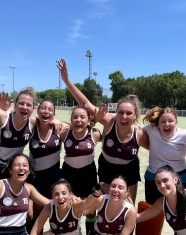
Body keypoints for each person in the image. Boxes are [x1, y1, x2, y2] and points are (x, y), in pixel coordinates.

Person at [57, 58, 149, 203]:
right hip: (107, 169)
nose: (124, 116)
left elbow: (158, 149)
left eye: (129, 113)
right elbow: (85, 104)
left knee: (129, 206)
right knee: (106, 205)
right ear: (115, 113)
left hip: (129, 170)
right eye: (120, 112)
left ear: (135, 116)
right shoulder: (109, 122)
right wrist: (67, 80)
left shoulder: (139, 134)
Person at [59, 105, 102, 235]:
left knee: (90, 209)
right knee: (68, 205)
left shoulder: (94, 133)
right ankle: (71, 234)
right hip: (68, 173)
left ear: (88, 121)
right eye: (75, 117)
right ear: (71, 121)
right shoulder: (64, 133)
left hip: (88, 174)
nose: (78, 120)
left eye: (82, 117)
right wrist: (56, 121)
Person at [142, 106, 186, 205]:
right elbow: (133, 132)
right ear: (158, 124)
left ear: (176, 122)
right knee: (153, 213)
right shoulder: (151, 129)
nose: (167, 124)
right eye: (163, 121)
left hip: (180, 177)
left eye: (171, 121)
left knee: (182, 212)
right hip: (153, 177)